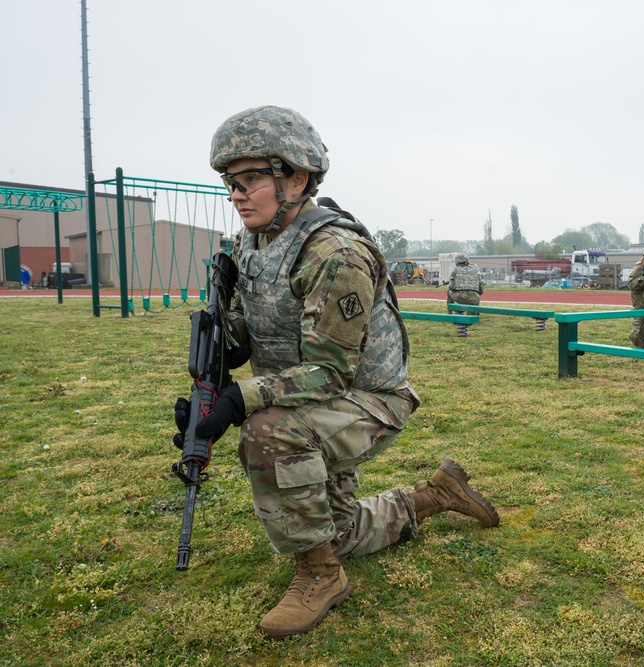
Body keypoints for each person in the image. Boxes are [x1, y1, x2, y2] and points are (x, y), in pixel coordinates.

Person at [174, 106, 500, 640]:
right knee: (338, 531)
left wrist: (240, 399)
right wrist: (209, 386)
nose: (237, 193)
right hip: (309, 403)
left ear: (297, 179)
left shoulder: (334, 253)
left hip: (366, 400)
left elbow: (328, 372)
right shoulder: (250, 244)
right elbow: (241, 332)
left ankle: (320, 578)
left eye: (252, 178)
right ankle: (437, 494)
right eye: (230, 181)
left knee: (267, 433)